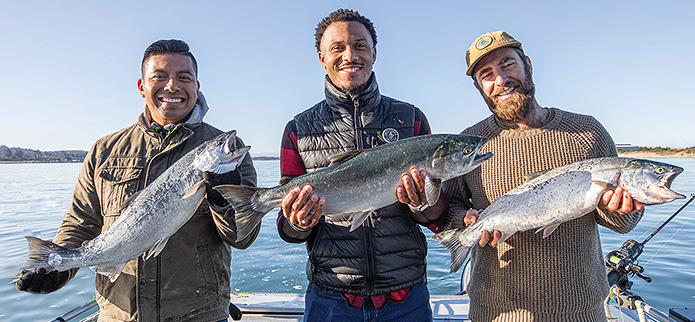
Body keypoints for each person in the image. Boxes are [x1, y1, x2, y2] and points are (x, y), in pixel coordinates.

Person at [15, 39, 258, 322]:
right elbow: (80, 223)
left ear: (197, 87)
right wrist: (57, 267)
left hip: (199, 314)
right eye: (160, 77)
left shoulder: (230, 152)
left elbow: (242, 237)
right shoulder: (104, 150)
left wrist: (222, 199)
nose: (172, 86)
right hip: (118, 314)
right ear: (142, 87)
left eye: (184, 78)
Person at [441, 30, 644, 321]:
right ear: (479, 87)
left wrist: (620, 208)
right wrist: (467, 220)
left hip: (582, 311)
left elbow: (623, 224)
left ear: (528, 66)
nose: (500, 80)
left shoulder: (588, 131)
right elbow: (451, 208)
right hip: (496, 312)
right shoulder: (470, 143)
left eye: (507, 64)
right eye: (487, 74)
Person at [276, 8, 446, 322]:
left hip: (406, 297)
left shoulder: (412, 118)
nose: (349, 55)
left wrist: (423, 204)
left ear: (374, 53)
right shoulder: (298, 129)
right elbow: (287, 229)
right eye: (337, 48)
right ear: (322, 58)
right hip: (331, 297)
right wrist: (299, 221)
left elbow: (436, 216)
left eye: (360, 45)